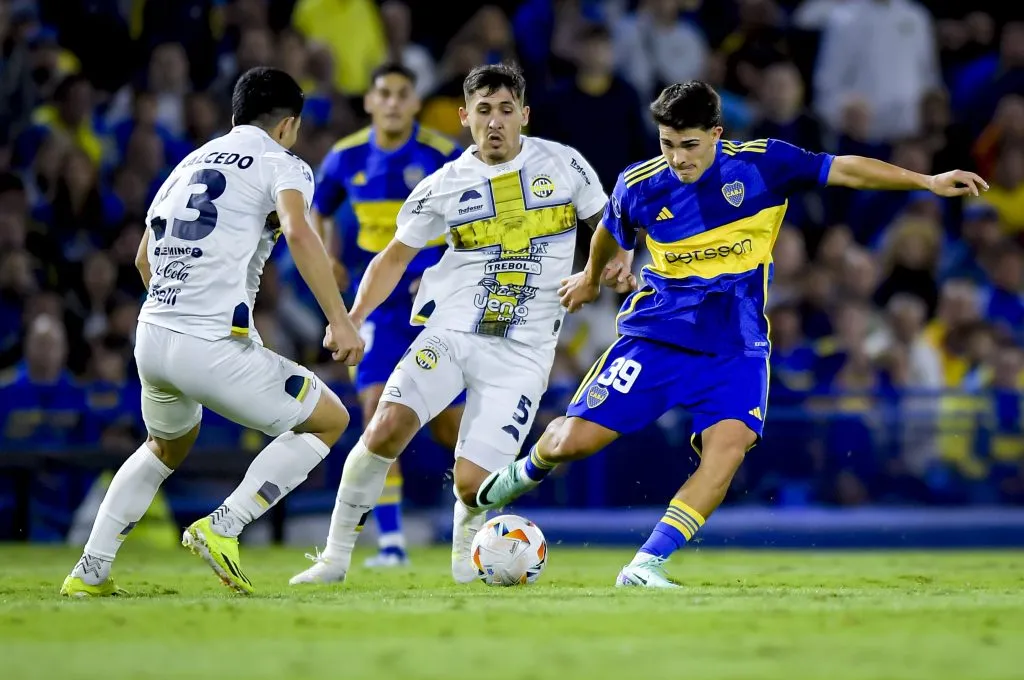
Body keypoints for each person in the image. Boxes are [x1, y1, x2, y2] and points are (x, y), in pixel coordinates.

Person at [475, 80, 988, 588]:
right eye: (667, 144)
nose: (678, 158)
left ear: (717, 134)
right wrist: (591, 279)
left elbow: (845, 169)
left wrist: (926, 181)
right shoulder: (641, 184)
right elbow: (613, 227)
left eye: (690, 144)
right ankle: (526, 471)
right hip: (658, 337)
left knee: (730, 446)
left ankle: (645, 565)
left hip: (735, 345)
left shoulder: (764, 165)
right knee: (572, 443)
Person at [289, 62, 631, 586]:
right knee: (383, 427)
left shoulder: (565, 165)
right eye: (483, 111)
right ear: (464, 117)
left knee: (473, 485)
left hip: (522, 353)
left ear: (525, 115)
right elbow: (390, 259)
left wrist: (604, 268)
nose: (495, 121)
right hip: (450, 333)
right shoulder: (441, 186)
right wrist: (351, 318)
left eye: (506, 110)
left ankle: (464, 562)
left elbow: (608, 226)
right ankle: (334, 559)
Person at [60, 67, 364, 597]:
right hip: (210, 343)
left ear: (234, 115)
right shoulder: (283, 162)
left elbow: (142, 258)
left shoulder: (186, 165)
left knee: (164, 445)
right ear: (290, 124)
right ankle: (223, 525)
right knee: (328, 421)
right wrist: (339, 320)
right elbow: (297, 230)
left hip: (152, 335)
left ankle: (90, 570)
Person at [310, 62, 464, 568]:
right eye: (385, 94)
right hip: (379, 303)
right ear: (371, 102)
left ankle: (477, 516)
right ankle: (392, 544)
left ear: (416, 103)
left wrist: (449, 267)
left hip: (436, 304)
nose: (394, 102)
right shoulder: (345, 156)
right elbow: (321, 206)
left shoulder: (443, 156)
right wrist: (325, 249)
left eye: (403, 94)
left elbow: (478, 216)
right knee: (377, 411)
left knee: (450, 425)